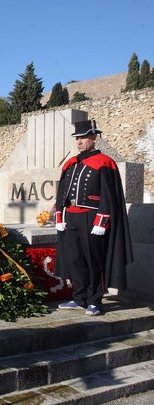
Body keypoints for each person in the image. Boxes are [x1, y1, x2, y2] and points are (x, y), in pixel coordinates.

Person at [54, 119, 133, 316]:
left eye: (83, 138)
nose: (79, 141)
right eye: (77, 138)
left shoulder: (104, 162)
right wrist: (59, 214)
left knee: (93, 260)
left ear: (94, 138)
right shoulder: (72, 163)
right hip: (71, 216)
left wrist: (102, 220)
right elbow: (62, 192)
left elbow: (108, 195)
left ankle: (94, 300)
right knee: (75, 260)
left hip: (91, 218)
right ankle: (79, 297)